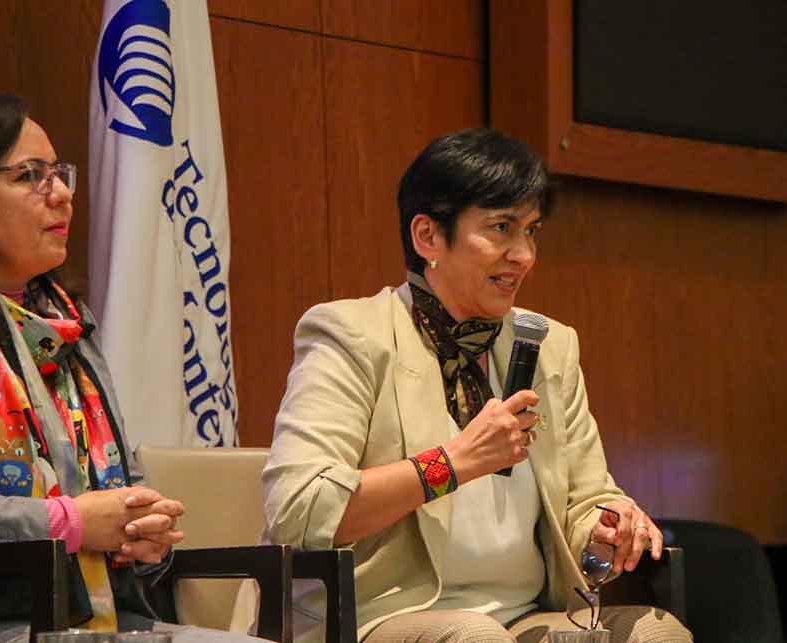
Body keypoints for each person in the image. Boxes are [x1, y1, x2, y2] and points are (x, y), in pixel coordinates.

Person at [260, 130, 693, 642]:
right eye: (501, 228)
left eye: (531, 231)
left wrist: (608, 528)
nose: (524, 255)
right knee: (475, 638)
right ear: (428, 237)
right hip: (380, 615)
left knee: (655, 632)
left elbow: (584, 500)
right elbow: (298, 509)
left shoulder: (550, 345)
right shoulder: (353, 335)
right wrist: (452, 464)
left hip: (528, 615)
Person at [0, 93, 259, 642]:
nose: (61, 194)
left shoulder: (65, 322)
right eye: (29, 176)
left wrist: (143, 532)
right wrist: (69, 524)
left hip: (119, 623)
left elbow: (122, 489)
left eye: (59, 173)